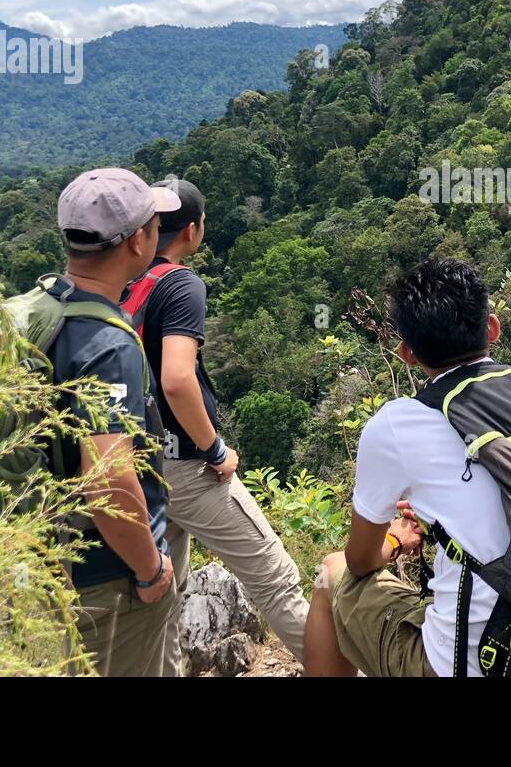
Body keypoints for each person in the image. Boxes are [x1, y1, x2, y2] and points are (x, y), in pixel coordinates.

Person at [303, 258, 511, 677]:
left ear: (407, 355)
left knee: (332, 573)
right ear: (492, 328)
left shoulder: (396, 424)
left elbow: (362, 560)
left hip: (473, 665)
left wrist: (398, 541)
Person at [122, 178, 308, 672]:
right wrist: (215, 450)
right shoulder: (180, 284)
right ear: (194, 230)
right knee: (275, 578)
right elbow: (178, 380)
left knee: (165, 598)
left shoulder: (121, 284)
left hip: (136, 465)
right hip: (185, 468)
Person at [53, 167, 181, 676]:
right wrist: (149, 570)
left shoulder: (39, 312)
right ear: (136, 241)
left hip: (43, 560)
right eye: (153, 223)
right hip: (105, 579)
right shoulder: (107, 343)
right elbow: (106, 481)